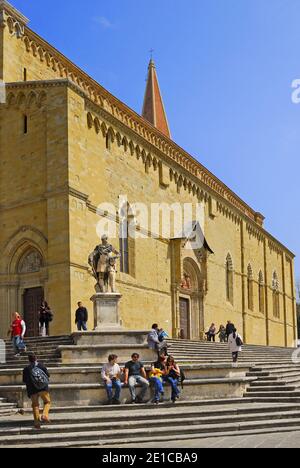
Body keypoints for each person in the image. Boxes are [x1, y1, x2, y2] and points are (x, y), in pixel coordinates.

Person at [22, 353, 51, 430]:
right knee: (47, 402)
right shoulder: (42, 366)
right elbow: (48, 375)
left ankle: (37, 424)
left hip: (32, 390)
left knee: (35, 405)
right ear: (36, 358)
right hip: (43, 388)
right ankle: (44, 415)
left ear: (29, 360)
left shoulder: (26, 369)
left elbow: (24, 380)